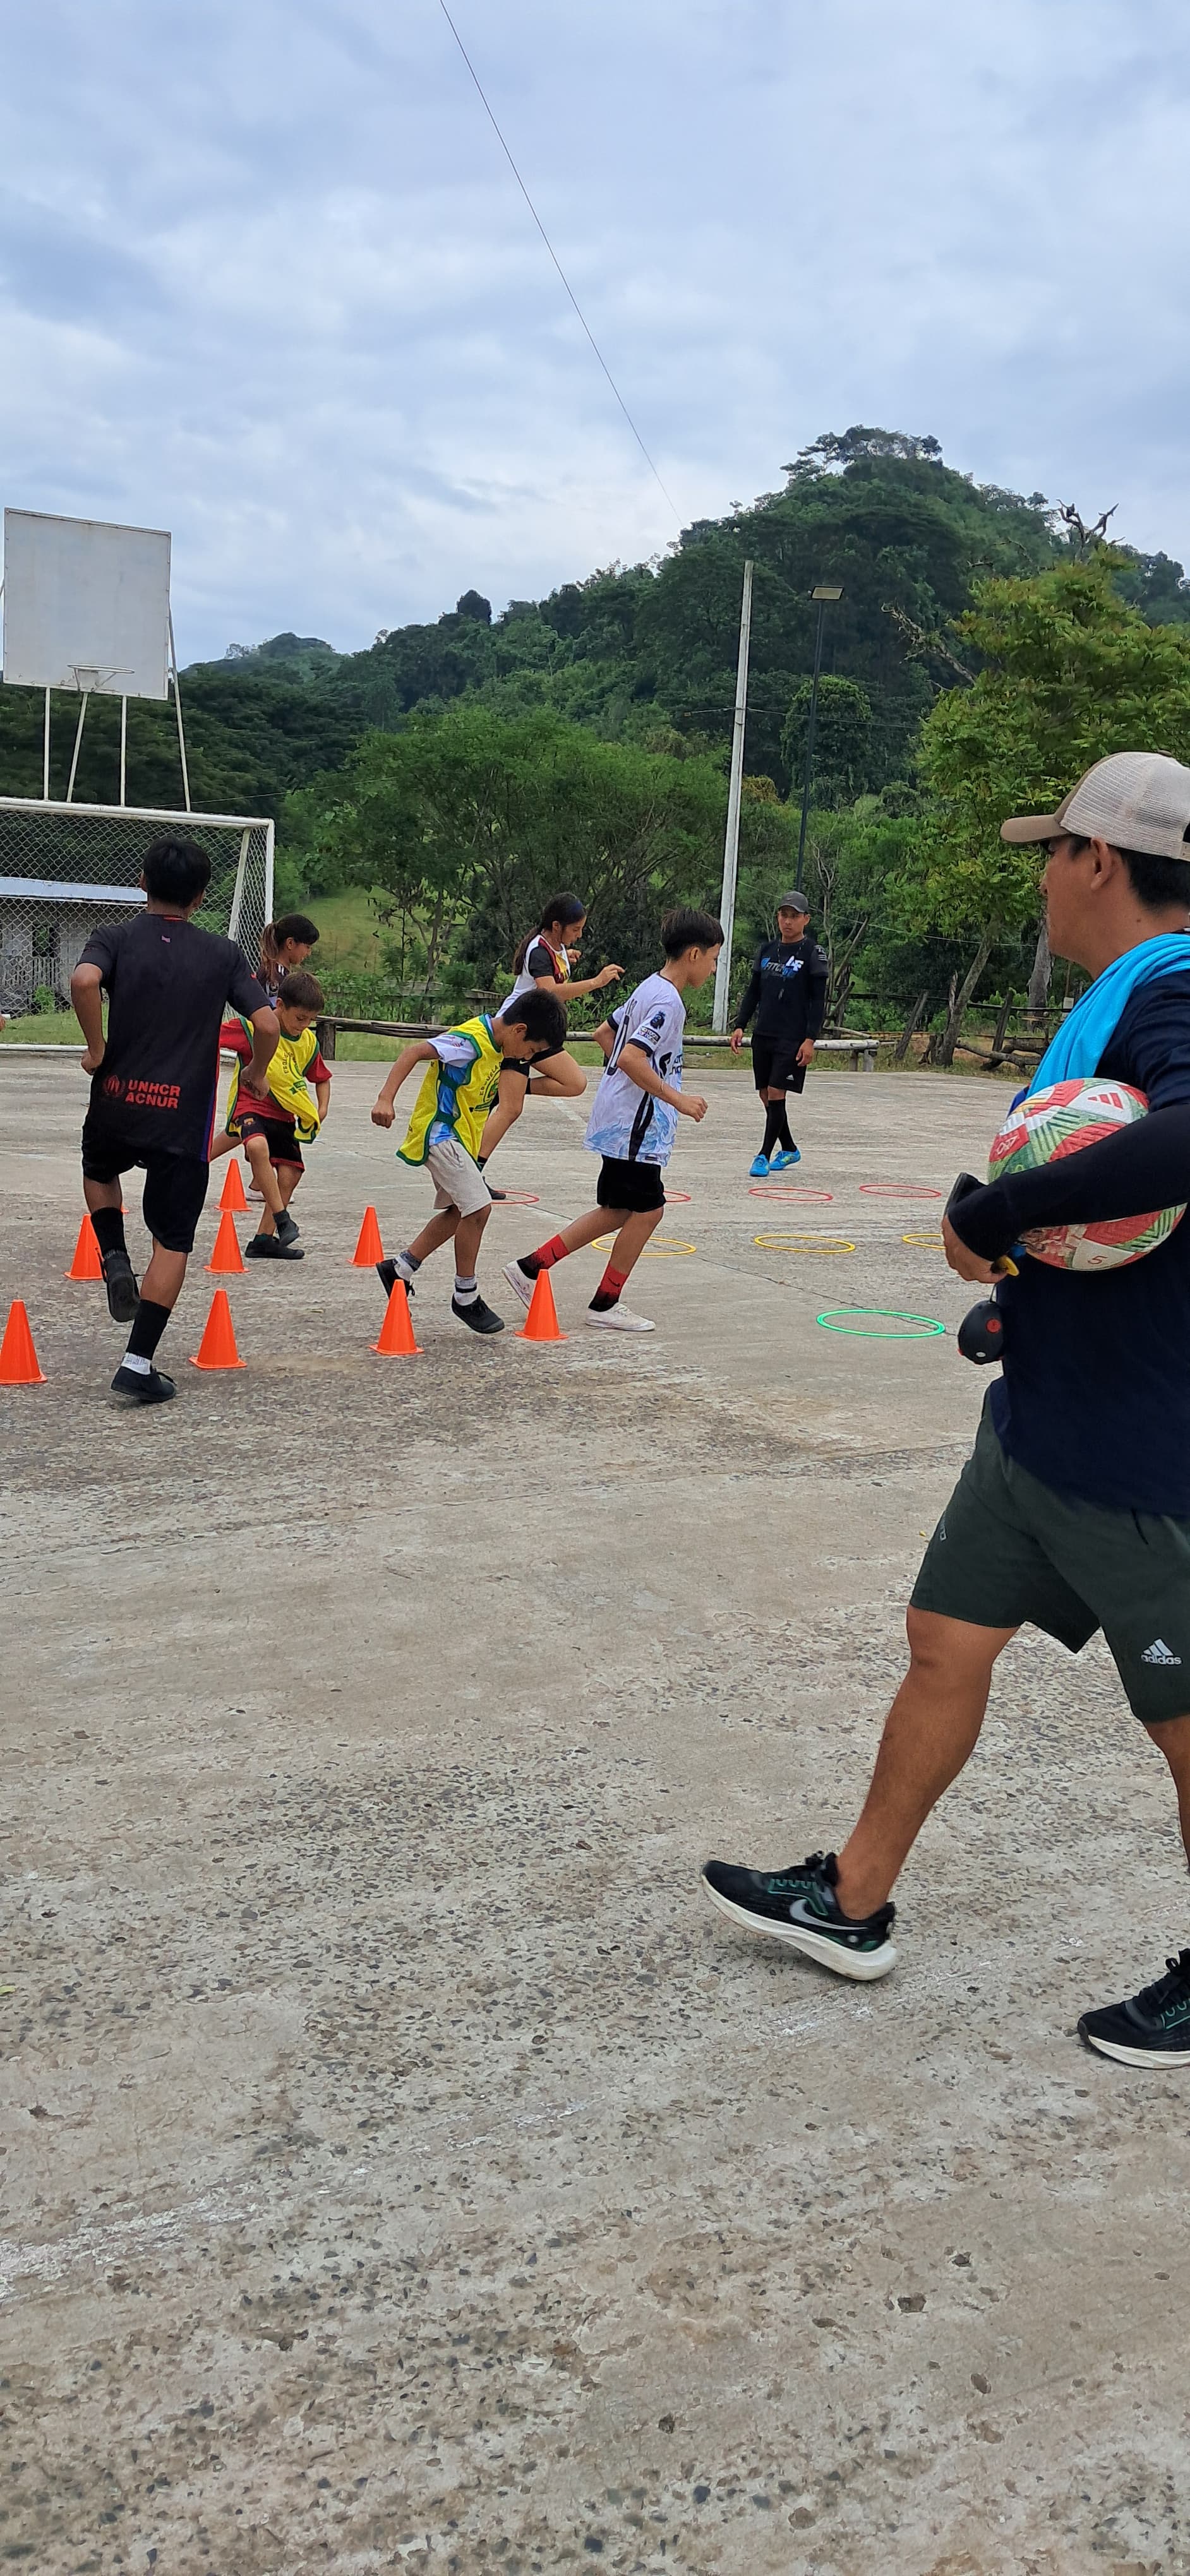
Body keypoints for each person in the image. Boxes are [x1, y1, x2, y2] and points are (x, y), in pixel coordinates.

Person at [702, 749, 1190, 2066]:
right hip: (1040, 1421)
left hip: (1145, 1453)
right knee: (942, 1639)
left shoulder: (1175, 988)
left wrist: (999, 1211)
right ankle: (852, 1901)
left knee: (1183, 1725)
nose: (1041, 878)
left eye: (1051, 853)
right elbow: (1126, 1221)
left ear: (1098, 860)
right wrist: (1019, 1301)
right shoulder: (1119, 999)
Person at [70, 834, 278, 1405]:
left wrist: (96, 1047)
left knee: (99, 1170)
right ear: (201, 896)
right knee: (173, 1240)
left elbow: (84, 981)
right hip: (181, 1116)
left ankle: (114, 1254)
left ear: (142, 882)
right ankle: (137, 1363)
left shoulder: (113, 937)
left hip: (117, 1099)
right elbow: (267, 1023)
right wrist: (257, 1073)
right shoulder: (223, 954)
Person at [503, 907, 723, 1333]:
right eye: (713, 959)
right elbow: (630, 1057)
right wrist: (677, 1099)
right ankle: (605, 1304)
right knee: (650, 1210)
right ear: (694, 954)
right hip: (635, 1127)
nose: (713, 969)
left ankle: (531, 1267)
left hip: (619, 1119)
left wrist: (623, 1086)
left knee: (617, 1210)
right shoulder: (668, 1002)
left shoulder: (648, 987)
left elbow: (605, 1034)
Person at [370, 988, 567, 1335]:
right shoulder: (470, 1041)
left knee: (459, 1212)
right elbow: (414, 1052)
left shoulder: (500, 1045)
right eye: (532, 1050)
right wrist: (386, 1098)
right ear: (520, 1030)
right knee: (479, 1208)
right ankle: (465, 1294)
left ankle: (400, 1268)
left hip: (461, 1139)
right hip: (440, 1134)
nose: (528, 1057)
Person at [477, 895, 623, 1196]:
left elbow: (552, 973)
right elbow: (551, 993)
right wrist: (596, 982)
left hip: (538, 1033)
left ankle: (504, 1092)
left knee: (573, 1083)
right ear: (556, 926)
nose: (579, 935)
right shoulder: (538, 951)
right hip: (518, 1033)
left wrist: (567, 956)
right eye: (575, 929)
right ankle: (471, 1173)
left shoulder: (556, 948)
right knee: (511, 1109)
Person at [212, 969, 332, 1260]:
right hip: (250, 1106)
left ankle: (264, 1240)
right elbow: (208, 1037)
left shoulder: (307, 1042)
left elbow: (322, 1078)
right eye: (300, 1018)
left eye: (310, 1020)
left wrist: (322, 1108)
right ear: (279, 1005)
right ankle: (282, 1218)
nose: (304, 1026)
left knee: (290, 1174)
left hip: (284, 1115)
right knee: (256, 1146)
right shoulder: (252, 1029)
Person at [730, 891, 829, 1175]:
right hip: (764, 1033)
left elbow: (818, 1001)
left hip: (792, 1036)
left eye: (794, 916)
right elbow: (754, 992)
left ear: (806, 919)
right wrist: (740, 1024)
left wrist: (810, 1039)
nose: (788, 921)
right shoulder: (767, 950)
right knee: (766, 1094)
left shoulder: (813, 953)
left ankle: (763, 1155)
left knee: (776, 1092)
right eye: (784, 915)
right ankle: (789, 1148)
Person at [259, 914, 320, 1005]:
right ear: (290, 943)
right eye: (307, 947)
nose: (309, 953)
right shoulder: (273, 976)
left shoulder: (278, 973)